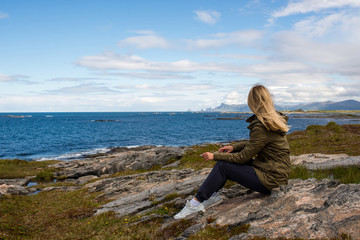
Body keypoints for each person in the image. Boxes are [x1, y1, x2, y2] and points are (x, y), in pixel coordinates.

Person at [174, 84, 291, 220]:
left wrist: (215, 156)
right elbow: (256, 144)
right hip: (275, 173)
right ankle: (211, 196)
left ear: (252, 102)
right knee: (226, 162)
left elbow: (243, 157)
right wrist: (234, 147)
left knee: (223, 166)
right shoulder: (273, 120)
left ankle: (195, 204)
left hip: (271, 179)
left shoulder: (262, 126)